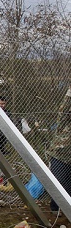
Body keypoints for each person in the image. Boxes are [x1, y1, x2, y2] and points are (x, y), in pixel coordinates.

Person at [47, 84, 71, 213]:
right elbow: (63, 112)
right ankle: (56, 210)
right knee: (59, 183)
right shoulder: (65, 125)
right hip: (61, 154)